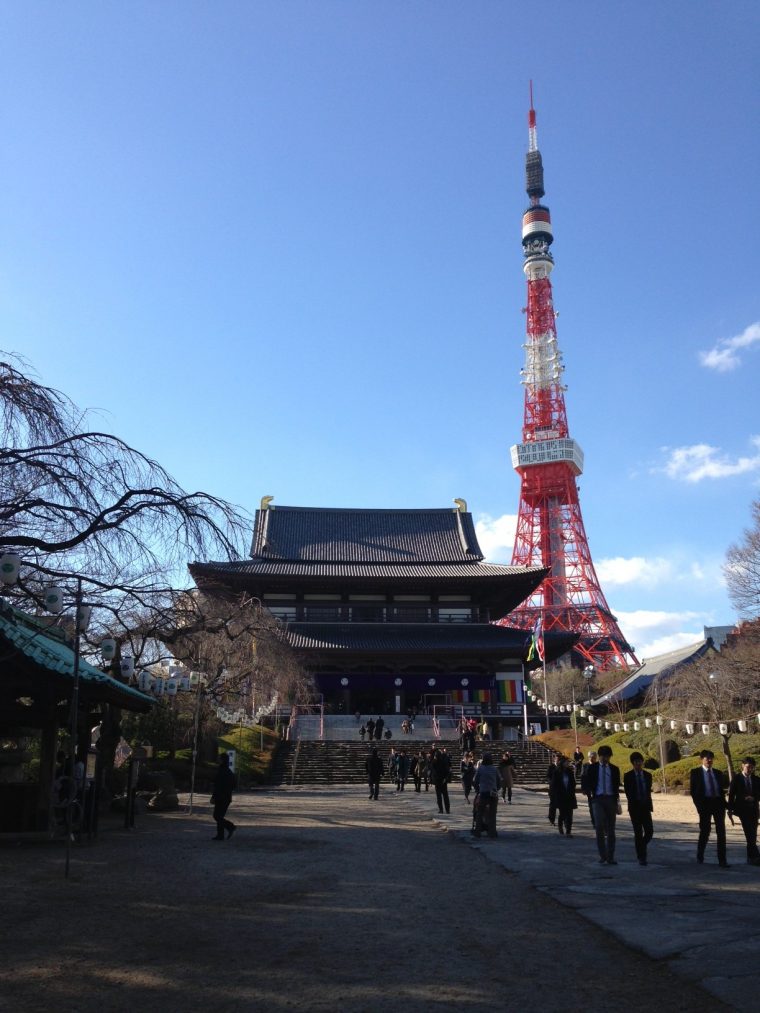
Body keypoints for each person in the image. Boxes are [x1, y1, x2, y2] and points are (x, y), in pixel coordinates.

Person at [689, 749, 729, 868]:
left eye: (711, 758)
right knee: (705, 831)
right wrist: (699, 806)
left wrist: (727, 805)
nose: (709, 760)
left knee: (721, 832)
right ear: (702, 759)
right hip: (705, 804)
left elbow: (721, 791)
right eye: (707, 758)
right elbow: (693, 792)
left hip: (718, 804)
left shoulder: (718, 773)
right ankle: (700, 854)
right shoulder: (695, 772)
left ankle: (722, 860)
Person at [586, 744, 620, 864]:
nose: (606, 759)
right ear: (599, 756)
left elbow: (616, 786)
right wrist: (589, 794)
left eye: (608, 757)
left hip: (610, 799)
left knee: (611, 829)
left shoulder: (614, 769)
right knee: (599, 826)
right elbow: (586, 781)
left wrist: (617, 802)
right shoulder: (593, 768)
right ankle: (602, 855)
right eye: (604, 757)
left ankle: (610, 856)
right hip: (597, 799)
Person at [623, 752, 654, 865]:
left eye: (640, 761)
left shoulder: (648, 775)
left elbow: (648, 791)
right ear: (633, 763)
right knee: (638, 832)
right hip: (634, 808)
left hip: (645, 807)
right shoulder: (628, 776)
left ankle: (641, 846)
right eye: (636, 762)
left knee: (649, 831)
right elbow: (628, 793)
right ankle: (642, 856)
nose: (638, 764)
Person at [728, 757, 760, 865]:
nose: (749, 769)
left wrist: (754, 798)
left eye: (751, 767)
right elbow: (731, 795)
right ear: (743, 766)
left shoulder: (756, 779)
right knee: (749, 832)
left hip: (754, 810)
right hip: (742, 810)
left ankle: (751, 858)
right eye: (747, 766)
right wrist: (730, 810)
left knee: (753, 834)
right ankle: (756, 856)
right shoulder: (736, 779)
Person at [472, 753, 500, 838]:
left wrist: (478, 790)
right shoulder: (495, 769)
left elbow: (475, 781)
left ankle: (477, 832)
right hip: (493, 794)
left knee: (480, 813)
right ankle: (492, 833)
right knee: (492, 814)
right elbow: (499, 781)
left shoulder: (480, 769)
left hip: (483, 793)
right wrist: (496, 789)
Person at [210, 753, 236, 841]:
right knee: (219, 816)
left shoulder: (221, 771)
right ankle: (220, 835)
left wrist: (213, 797)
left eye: (219, 758)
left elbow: (217, 786)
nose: (218, 760)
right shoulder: (229, 771)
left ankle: (230, 826)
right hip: (227, 797)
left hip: (221, 797)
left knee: (217, 816)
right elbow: (234, 784)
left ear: (222, 760)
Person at [549, 757, 577, 836]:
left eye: (568, 762)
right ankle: (560, 826)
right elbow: (554, 785)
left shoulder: (569, 771)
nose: (567, 763)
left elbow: (573, 783)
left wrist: (572, 790)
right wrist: (555, 795)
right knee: (562, 814)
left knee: (570, 814)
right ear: (562, 763)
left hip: (569, 796)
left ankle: (568, 831)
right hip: (561, 796)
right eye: (566, 762)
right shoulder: (556, 772)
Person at [430, 747, 451, 814]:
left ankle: (443, 809)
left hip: (440, 781)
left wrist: (445, 779)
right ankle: (445, 810)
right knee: (442, 796)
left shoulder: (436, 762)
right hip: (441, 781)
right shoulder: (438, 762)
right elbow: (447, 771)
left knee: (442, 796)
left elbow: (446, 771)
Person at [580, 750, 598, 827]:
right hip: (589, 789)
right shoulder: (585, 765)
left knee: (598, 806)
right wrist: (583, 788)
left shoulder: (598, 765)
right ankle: (594, 821)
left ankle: (598, 821)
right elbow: (583, 777)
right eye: (591, 757)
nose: (592, 758)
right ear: (589, 757)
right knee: (591, 806)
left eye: (594, 757)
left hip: (597, 789)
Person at [546, 754, 560, 825]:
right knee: (553, 805)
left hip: (560, 789)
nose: (557, 760)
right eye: (556, 759)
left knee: (561, 805)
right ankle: (551, 819)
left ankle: (562, 820)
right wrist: (551, 782)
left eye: (558, 759)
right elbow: (548, 776)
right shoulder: (551, 767)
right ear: (554, 759)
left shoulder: (561, 767)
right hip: (553, 789)